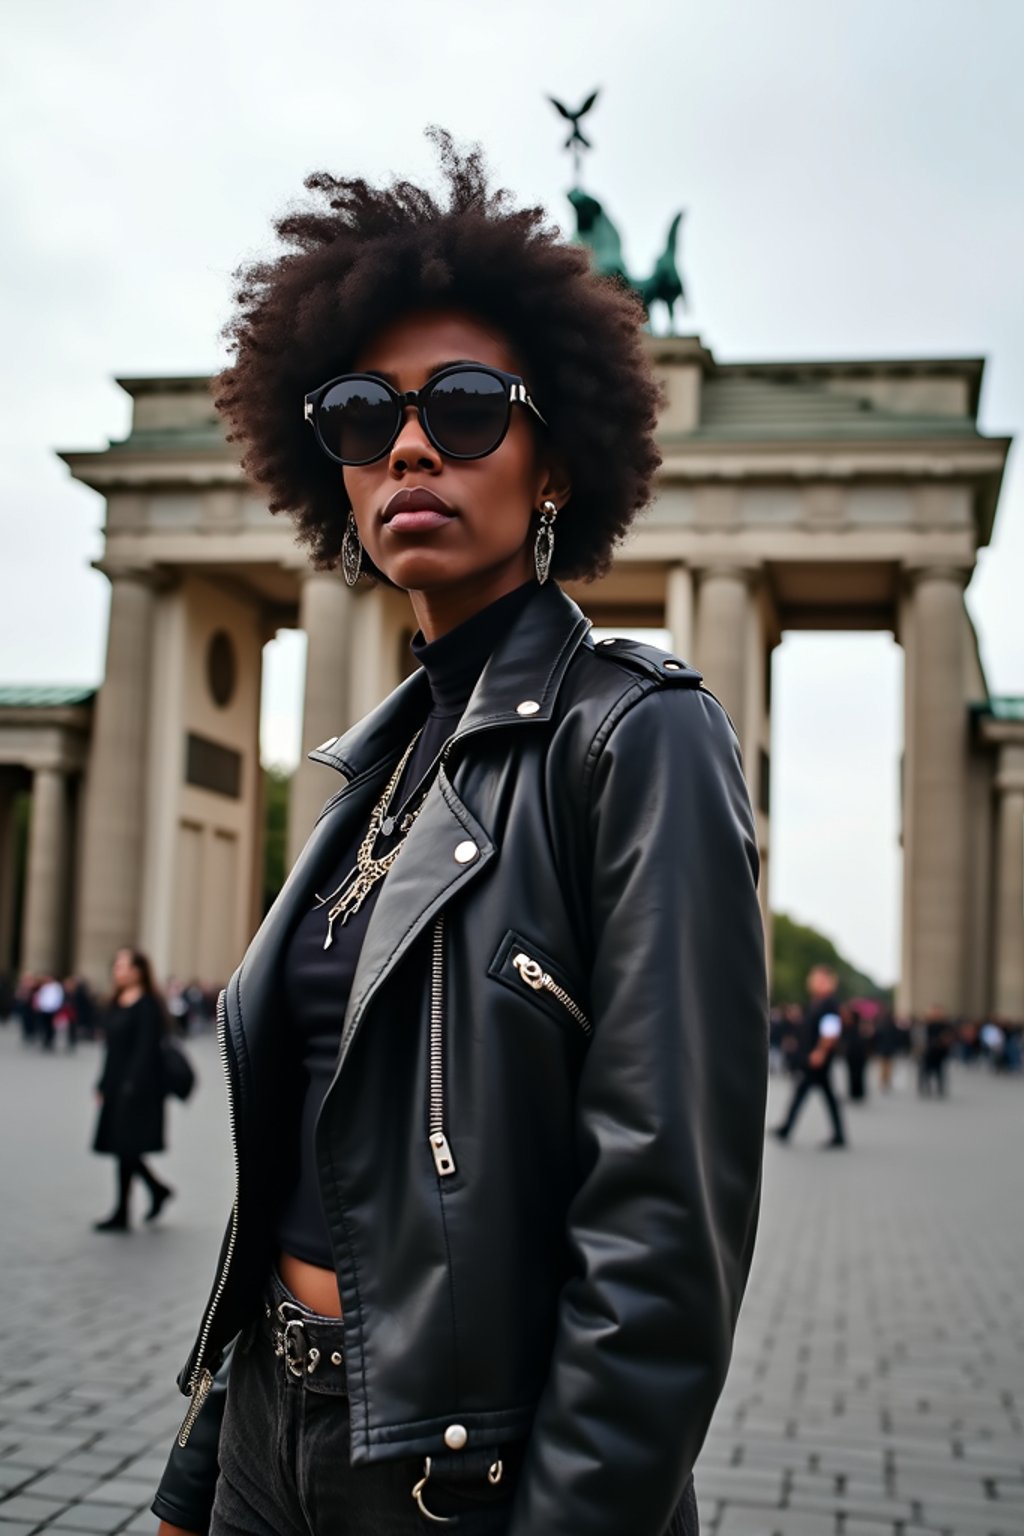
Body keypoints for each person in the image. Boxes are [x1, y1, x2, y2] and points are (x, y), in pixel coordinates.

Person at [151, 136, 768, 1536]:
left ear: (556, 461)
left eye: (472, 406)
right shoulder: (374, 769)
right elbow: (301, 1155)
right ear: (341, 479)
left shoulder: (637, 737)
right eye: (366, 416)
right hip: (270, 1442)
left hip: (454, 1482)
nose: (412, 442)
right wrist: (203, 1463)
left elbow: (663, 1242)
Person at [92, 947, 174, 1231]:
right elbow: (111, 1051)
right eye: (116, 966)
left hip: (138, 1089)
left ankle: (125, 1210)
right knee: (123, 1149)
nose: (118, 970)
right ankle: (151, 1193)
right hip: (115, 1085)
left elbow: (145, 1050)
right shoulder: (116, 1002)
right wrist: (102, 1084)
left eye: (123, 966)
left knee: (126, 1148)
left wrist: (132, 1085)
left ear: (138, 970)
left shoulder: (148, 1006)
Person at [771, 964, 847, 1148]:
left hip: (817, 1058)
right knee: (823, 1094)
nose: (811, 983)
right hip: (813, 1056)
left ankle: (787, 1128)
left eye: (815, 979)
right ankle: (837, 1134)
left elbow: (830, 1031)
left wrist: (820, 1051)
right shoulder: (817, 1002)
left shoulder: (829, 1003)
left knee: (803, 1092)